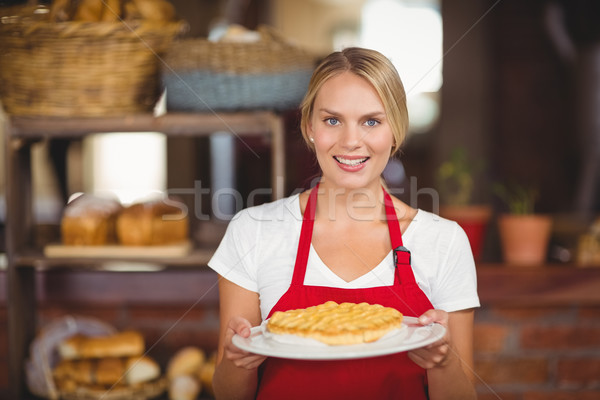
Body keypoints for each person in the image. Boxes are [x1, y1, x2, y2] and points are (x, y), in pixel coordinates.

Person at [208, 47, 479, 399]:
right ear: (309, 128)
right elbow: (229, 394)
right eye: (332, 120)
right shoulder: (252, 230)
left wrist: (442, 364)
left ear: (395, 131)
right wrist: (236, 361)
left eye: (371, 121)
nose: (351, 141)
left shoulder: (444, 241)